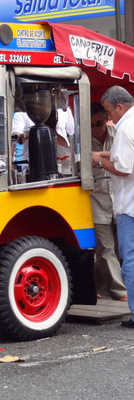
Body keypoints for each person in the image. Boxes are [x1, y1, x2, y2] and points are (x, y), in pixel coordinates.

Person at [92, 86, 134, 328]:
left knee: (129, 260)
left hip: (128, 206)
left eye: (109, 113)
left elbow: (123, 167)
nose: (109, 119)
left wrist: (99, 161)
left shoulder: (125, 128)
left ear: (120, 106)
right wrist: (106, 153)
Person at [89, 102, 127, 301]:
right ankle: (120, 292)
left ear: (106, 119)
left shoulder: (117, 135)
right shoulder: (81, 141)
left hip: (119, 201)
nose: (96, 128)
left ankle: (94, 287)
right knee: (106, 249)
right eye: (92, 125)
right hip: (97, 202)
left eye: (99, 123)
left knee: (119, 249)